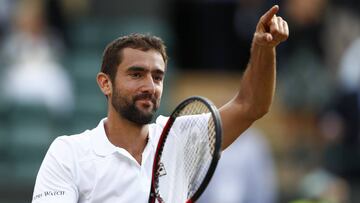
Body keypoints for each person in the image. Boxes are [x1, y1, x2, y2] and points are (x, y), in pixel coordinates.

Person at [32, 5, 288, 203]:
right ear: (105, 83)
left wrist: (263, 48)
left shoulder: (181, 138)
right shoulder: (68, 153)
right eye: (136, 74)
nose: (149, 86)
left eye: (157, 77)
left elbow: (251, 106)